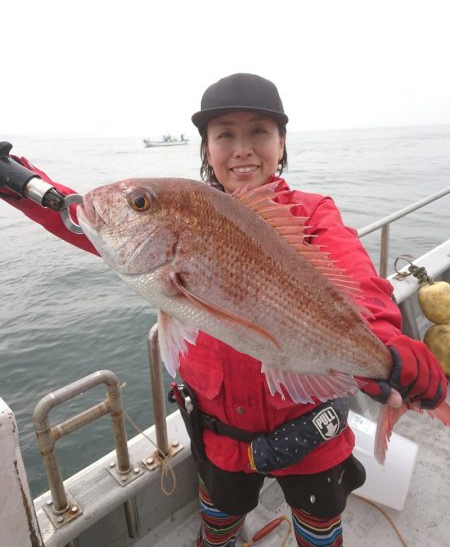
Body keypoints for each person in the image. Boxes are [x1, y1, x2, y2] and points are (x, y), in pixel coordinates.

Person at [0, 73, 447, 547]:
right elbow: (77, 215)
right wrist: (17, 180)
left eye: (259, 131)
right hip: (223, 438)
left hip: (310, 429)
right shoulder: (180, 216)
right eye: (224, 134)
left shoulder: (313, 214)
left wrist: (387, 344)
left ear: (282, 141)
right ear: (206, 147)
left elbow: (357, 278)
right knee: (219, 524)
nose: (242, 148)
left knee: (319, 527)